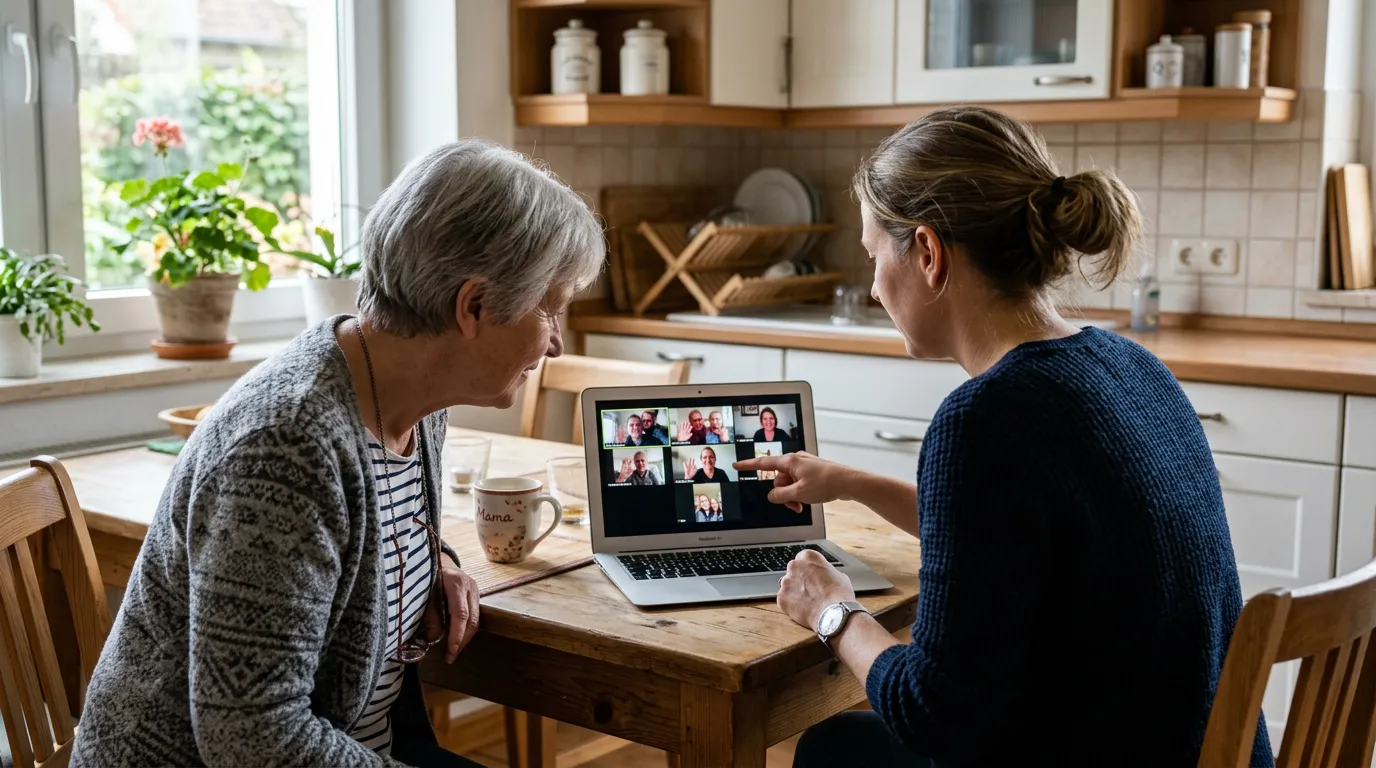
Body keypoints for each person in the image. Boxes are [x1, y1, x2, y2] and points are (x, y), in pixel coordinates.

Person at [735, 107, 1271, 768]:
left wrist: (834, 614)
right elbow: (1016, 547)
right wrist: (852, 483)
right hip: (1194, 749)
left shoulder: (984, 419)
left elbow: (935, 716)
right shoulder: (1131, 366)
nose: (874, 288)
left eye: (875, 255)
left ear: (928, 254)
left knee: (835, 747)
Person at [72, 140, 604, 768]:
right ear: (474, 306)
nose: (558, 345)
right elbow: (252, 740)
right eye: (552, 310)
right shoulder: (287, 449)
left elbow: (371, 533)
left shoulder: (411, 395)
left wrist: (437, 559)